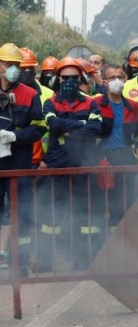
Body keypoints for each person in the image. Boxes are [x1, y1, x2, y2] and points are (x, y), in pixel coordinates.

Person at [38, 56, 102, 271]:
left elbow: (96, 128)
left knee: (84, 213)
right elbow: (53, 125)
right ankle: (46, 260)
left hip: (84, 162)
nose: (69, 81)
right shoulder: (50, 102)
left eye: (74, 77)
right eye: (65, 78)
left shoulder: (90, 102)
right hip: (57, 164)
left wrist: (69, 129)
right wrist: (81, 124)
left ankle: (84, 259)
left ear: (81, 77)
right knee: (52, 214)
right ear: (57, 79)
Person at [0, 43, 46, 275]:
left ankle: (21, 263)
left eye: (16, 65)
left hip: (20, 164)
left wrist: (14, 136)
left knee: (23, 214)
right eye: (8, 64)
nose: (13, 69)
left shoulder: (30, 95)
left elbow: (39, 128)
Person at [96, 63, 138, 233]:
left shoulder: (133, 106)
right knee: (102, 205)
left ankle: (121, 246)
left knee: (124, 204)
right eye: (111, 77)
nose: (116, 80)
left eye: (119, 77)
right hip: (102, 160)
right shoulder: (94, 104)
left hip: (126, 159)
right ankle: (102, 246)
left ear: (125, 79)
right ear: (104, 81)